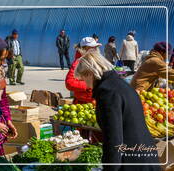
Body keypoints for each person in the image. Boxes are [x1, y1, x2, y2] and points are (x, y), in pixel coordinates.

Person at [74, 38, 160, 171]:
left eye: (83, 78)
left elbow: (113, 139)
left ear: (90, 73)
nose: (85, 84)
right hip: (146, 156)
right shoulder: (119, 85)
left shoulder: (107, 93)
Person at [65, 37, 102, 104]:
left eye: (96, 47)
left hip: (96, 102)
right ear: (84, 49)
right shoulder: (78, 63)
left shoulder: (97, 61)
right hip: (82, 103)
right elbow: (69, 83)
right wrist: (89, 85)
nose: (96, 49)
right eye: (92, 47)